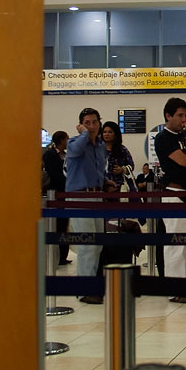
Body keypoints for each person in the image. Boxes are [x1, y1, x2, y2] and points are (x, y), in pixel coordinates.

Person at [153, 97, 186, 303]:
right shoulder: (163, 138)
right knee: (176, 244)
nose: (184, 119)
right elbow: (184, 161)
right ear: (168, 115)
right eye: (180, 115)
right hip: (174, 194)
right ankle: (174, 288)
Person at [65, 107, 109, 304]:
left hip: (97, 197)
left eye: (94, 122)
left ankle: (92, 284)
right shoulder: (76, 142)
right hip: (79, 198)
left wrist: (105, 182)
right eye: (87, 123)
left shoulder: (100, 146)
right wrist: (83, 134)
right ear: (81, 125)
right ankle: (84, 289)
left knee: (97, 244)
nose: (91, 127)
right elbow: (75, 152)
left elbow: (98, 169)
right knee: (87, 245)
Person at [43, 131, 71, 265]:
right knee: (56, 225)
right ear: (61, 140)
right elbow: (54, 174)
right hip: (55, 194)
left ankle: (63, 256)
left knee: (63, 225)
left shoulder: (66, 155)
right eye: (67, 139)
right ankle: (56, 256)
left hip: (65, 195)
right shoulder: (50, 155)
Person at [101, 121, 134, 189]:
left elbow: (131, 166)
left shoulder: (122, 150)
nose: (107, 134)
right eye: (104, 132)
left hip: (118, 188)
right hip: (100, 187)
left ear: (115, 134)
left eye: (110, 132)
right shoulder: (97, 149)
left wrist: (122, 169)